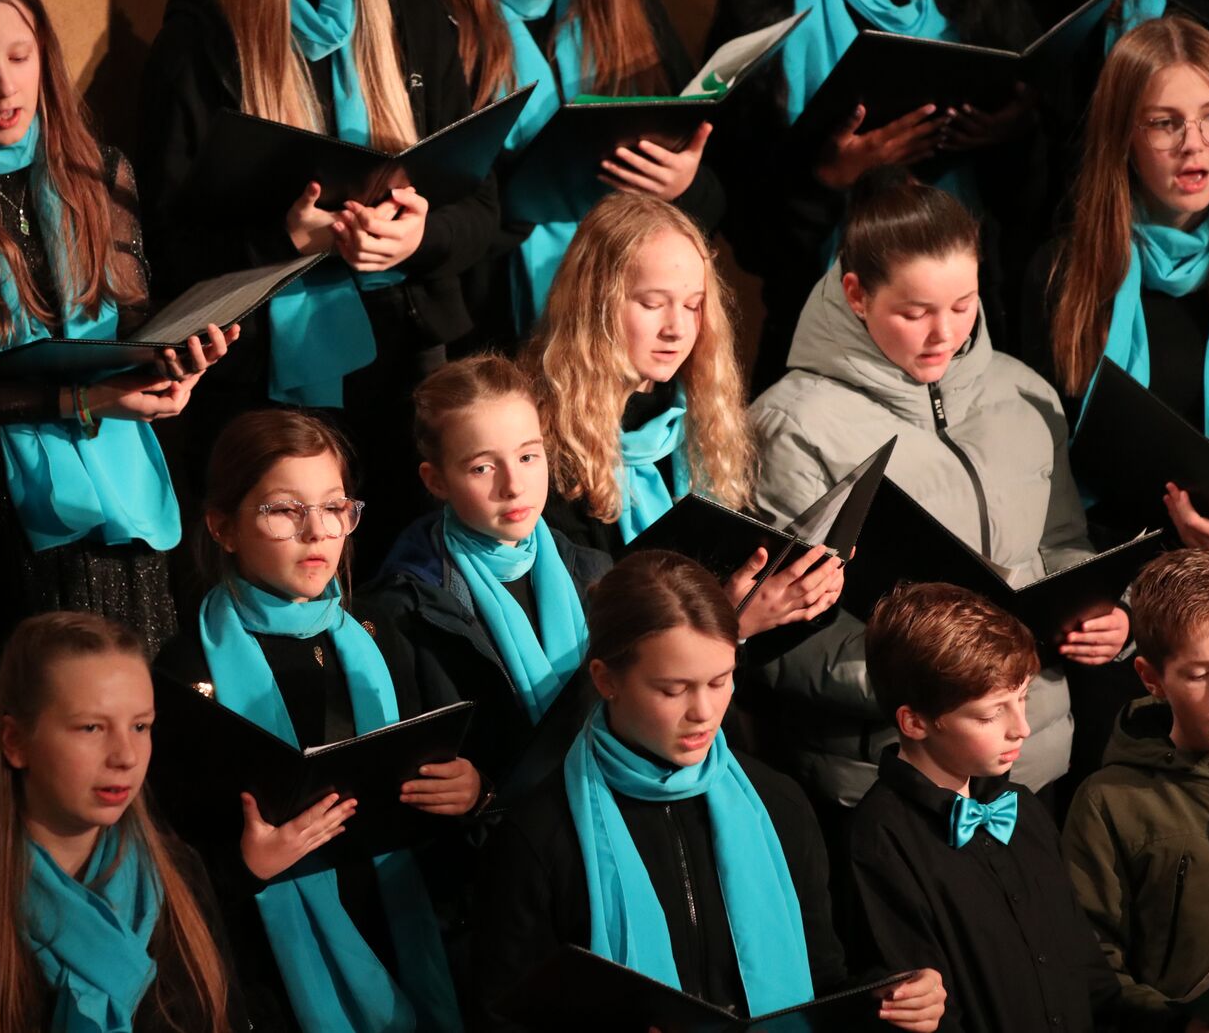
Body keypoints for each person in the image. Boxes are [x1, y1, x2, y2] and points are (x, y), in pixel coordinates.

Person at [0, 0, 229, 810]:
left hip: (118, 476)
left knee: (127, 733)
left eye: (19, 56)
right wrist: (83, 401)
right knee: (19, 749)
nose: (3, 86)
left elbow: (130, 323)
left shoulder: (99, 170)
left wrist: (176, 363)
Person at [749, 168, 1127, 810]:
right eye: (915, 313)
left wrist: (1103, 618)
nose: (943, 335)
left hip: (1033, 763)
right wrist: (940, 681)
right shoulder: (792, 424)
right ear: (857, 294)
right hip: (887, 781)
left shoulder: (1023, 392)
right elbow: (786, 638)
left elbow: (1061, 544)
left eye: (962, 305)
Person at [473, 550, 948, 1033]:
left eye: (720, 681)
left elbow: (822, 982)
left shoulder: (778, 802)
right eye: (673, 689)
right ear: (606, 679)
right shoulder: (540, 834)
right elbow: (503, 1016)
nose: (703, 711)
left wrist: (890, 999)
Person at [137, 0, 498, 569]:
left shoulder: (410, 6)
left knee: (406, 570)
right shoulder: (200, 35)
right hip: (263, 379)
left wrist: (419, 237)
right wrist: (280, 241)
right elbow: (163, 251)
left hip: (405, 360)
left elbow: (482, 209)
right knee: (288, 574)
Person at [153, 408, 473, 1032]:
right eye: (284, 510)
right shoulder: (185, 672)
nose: (318, 532)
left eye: (333, 507)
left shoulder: (379, 635)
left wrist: (469, 791)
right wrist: (247, 867)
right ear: (222, 527)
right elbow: (167, 870)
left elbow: (419, 789)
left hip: (395, 919)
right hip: (269, 966)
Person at [0, 611, 242, 1033]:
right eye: (91, 728)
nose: (126, 756)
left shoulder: (179, 876)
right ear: (15, 742)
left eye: (140, 726)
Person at [704, 0, 1058, 388]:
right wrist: (830, 177)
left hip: (971, 320)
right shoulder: (766, 0)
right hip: (825, 338)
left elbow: (1029, 207)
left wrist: (1012, 134)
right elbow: (747, 229)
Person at [1023, 15, 1209, 559]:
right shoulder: (1062, 275)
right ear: (1123, 135)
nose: (1194, 144)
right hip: (1118, 571)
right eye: (1165, 123)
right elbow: (1039, 470)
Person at [522, 192, 846, 644]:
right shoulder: (541, 444)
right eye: (653, 304)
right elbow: (601, 642)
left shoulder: (702, 423)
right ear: (594, 304)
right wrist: (727, 624)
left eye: (693, 305)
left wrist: (796, 596)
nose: (677, 329)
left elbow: (741, 597)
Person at [847, 582, 1122, 1033]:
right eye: (991, 714)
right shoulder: (881, 840)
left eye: (1023, 698)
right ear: (914, 722)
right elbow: (927, 1011)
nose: (1022, 728)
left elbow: (1087, 971)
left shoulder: (1024, 809)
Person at [1062, 548, 1209, 1033]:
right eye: (1199, 674)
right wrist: (1181, 1028)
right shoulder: (1108, 803)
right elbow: (1089, 963)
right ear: (1152, 678)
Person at [420, 0, 727, 336]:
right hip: (490, 312)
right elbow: (427, 215)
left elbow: (715, 202)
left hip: (629, 308)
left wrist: (681, 186)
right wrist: (517, 205)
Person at [361, 353, 610, 783]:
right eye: (482, 467)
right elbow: (414, 765)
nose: (513, 486)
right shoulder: (407, 610)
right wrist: (481, 789)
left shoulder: (593, 572)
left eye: (528, 457)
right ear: (436, 481)